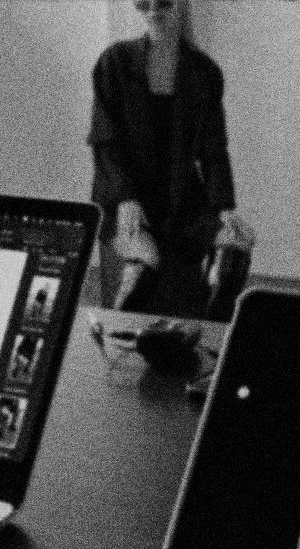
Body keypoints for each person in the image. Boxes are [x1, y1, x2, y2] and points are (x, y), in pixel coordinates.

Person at [87, 0, 254, 320]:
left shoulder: (205, 73)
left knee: (237, 246)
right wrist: (126, 199)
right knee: (143, 265)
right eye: (143, 2)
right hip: (129, 199)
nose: (152, 9)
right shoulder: (115, 63)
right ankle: (126, 335)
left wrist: (225, 207)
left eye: (163, 1)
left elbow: (214, 150)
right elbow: (105, 142)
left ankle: (214, 326)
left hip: (182, 201)